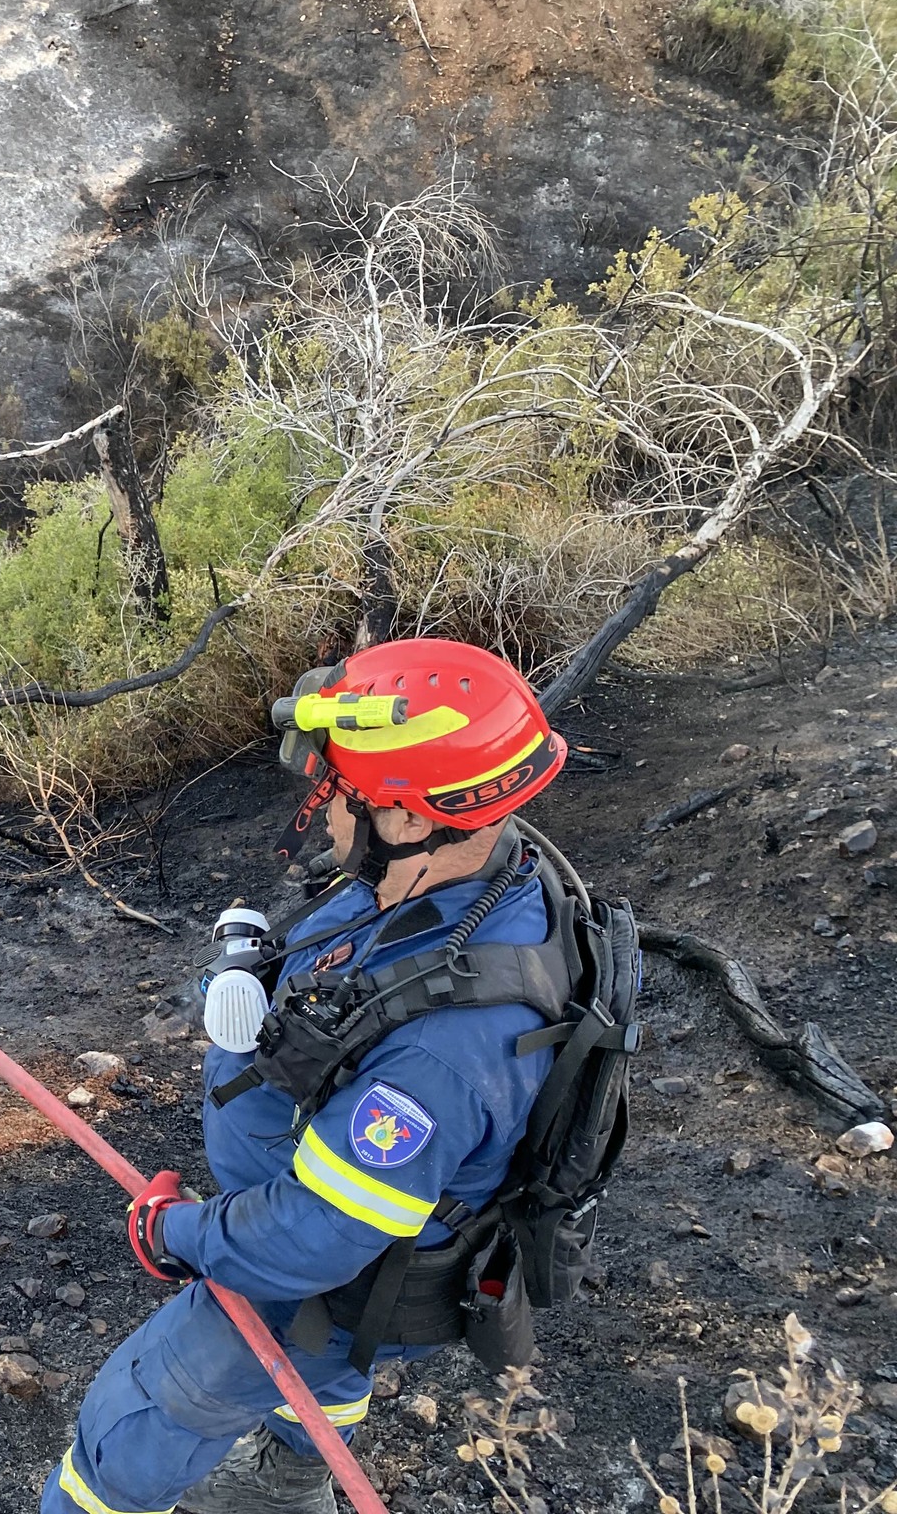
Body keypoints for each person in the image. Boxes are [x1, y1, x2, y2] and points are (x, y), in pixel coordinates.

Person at [43, 638, 582, 1514]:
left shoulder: (442, 1054)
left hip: (319, 1285)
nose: (320, 803)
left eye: (338, 788)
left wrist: (175, 1233)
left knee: (130, 1432)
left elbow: (313, 1237)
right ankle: (290, 1482)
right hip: (358, 1247)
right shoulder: (476, 872)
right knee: (326, 1374)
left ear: (409, 820)